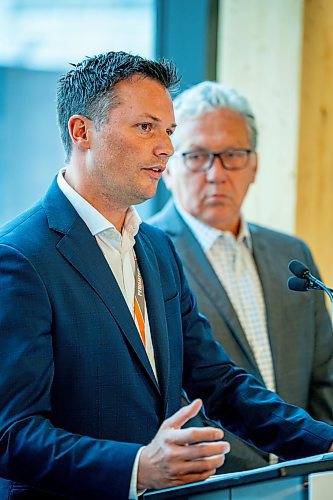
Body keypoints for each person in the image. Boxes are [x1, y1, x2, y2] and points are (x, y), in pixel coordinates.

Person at [0, 52, 332, 500]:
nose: (166, 147)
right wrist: (138, 467)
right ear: (82, 132)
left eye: (169, 130)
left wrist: (324, 443)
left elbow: (219, 383)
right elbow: (13, 434)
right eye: (145, 127)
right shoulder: (19, 256)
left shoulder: (156, 247)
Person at [149, 81, 333, 472]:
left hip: (304, 475)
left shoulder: (292, 254)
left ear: (254, 164)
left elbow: (324, 379)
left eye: (232, 154)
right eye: (197, 156)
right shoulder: (146, 255)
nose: (216, 174)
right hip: (206, 482)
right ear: (168, 168)